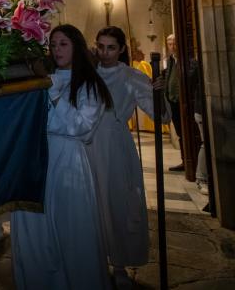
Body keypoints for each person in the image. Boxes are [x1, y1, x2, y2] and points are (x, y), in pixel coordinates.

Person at [11, 24, 112, 290]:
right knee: (35, 230)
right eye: (53, 45)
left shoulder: (90, 85)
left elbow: (80, 127)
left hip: (68, 160)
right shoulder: (39, 80)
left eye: (63, 44)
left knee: (71, 230)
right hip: (36, 158)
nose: (57, 50)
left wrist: (53, 92)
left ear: (76, 47)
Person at [92, 26, 171, 288]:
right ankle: (93, 261)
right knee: (91, 204)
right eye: (100, 46)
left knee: (118, 203)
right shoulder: (87, 75)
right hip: (87, 145)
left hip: (115, 146)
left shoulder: (131, 76)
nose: (105, 53)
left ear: (122, 49)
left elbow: (161, 116)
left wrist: (157, 92)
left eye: (111, 47)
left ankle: (120, 264)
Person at [164, 34, 184, 171]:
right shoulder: (171, 59)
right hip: (173, 101)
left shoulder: (184, 60)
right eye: (170, 44)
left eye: (174, 43)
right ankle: (184, 160)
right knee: (179, 132)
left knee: (185, 131)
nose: (172, 47)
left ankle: (189, 160)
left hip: (181, 101)